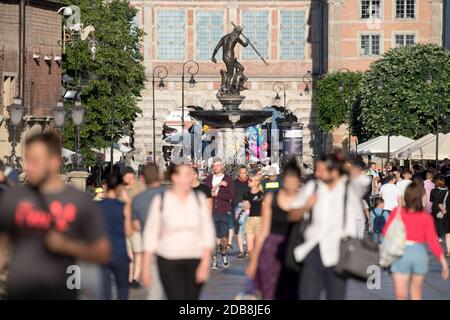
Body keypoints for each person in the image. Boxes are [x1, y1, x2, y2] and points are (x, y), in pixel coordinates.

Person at [0, 132, 110, 299]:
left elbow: (102, 252)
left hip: (60, 291)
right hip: (19, 291)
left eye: (35, 161)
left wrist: (68, 246)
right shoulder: (13, 198)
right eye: (28, 161)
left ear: (54, 161)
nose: (28, 168)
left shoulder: (80, 201)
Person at [289, 153, 369, 300]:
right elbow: (292, 214)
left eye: (321, 170)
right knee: (308, 295)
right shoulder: (312, 187)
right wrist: (307, 206)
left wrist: (346, 163)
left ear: (334, 171)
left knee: (336, 296)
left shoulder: (349, 188)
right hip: (312, 249)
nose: (317, 173)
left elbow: (363, 180)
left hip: (339, 252)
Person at [141, 164, 215, 300]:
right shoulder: (162, 201)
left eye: (191, 174)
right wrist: (145, 267)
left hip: (195, 258)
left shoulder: (199, 200)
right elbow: (150, 235)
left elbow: (207, 233)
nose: (190, 178)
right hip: (168, 258)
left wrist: (205, 263)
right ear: (175, 177)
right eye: (186, 174)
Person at [246, 158, 302, 299]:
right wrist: (254, 262)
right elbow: (264, 232)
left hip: (295, 249)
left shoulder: (303, 200)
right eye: (288, 180)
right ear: (284, 180)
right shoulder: (271, 198)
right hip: (272, 250)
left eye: (294, 180)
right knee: (270, 291)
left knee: (293, 292)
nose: (291, 184)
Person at [383, 182, 448, 300]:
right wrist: (443, 263)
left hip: (400, 252)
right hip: (419, 253)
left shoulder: (397, 212)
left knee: (400, 294)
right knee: (416, 294)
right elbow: (433, 241)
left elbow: (386, 232)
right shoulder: (425, 217)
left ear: (406, 196)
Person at [131, 163, 165, 300]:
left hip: (151, 247)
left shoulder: (137, 200)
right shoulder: (170, 195)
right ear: (160, 176)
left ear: (143, 178)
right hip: (173, 247)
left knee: (155, 291)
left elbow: (136, 226)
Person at [98, 172, 132, 300]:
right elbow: (128, 232)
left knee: (104, 290)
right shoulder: (123, 207)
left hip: (103, 253)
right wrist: (127, 201)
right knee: (122, 290)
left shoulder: (97, 206)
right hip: (120, 252)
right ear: (119, 187)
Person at [204, 158, 235, 269]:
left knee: (224, 239)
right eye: (214, 166)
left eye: (218, 165)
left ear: (222, 166)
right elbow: (206, 193)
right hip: (211, 212)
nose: (216, 167)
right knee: (212, 238)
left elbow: (231, 195)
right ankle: (215, 260)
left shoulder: (228, 179)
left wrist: (218, 195)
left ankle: (223, 253)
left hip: (224, 211)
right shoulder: (208, 179)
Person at [122, 166, 145, 288]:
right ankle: (129, 277)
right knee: (128, 253)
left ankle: (135, 278)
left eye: (129, 176)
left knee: (137, 252)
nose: (128, 178)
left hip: (136, 225)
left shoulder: (139, 187)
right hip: (123, 225)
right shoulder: (120, 188)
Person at [243, 174, 264, 260]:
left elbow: (265, 209)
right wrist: (245, 204)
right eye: (249, 180)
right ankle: (253, 264)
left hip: (260, 219)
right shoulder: (246, 194)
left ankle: (258, 266)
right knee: (249, 249)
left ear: (257, 182)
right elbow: (245, 207)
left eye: (251, 180)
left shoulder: (262, 194)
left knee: (258, 247)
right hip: (250, 220)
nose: (249, 181)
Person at [232, 166, 250, 258]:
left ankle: (248, 249)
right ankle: (241, 251)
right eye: (241, 173)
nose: (242, 174)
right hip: (237, 208)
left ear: (247, 173)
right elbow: (231, 195)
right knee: (240, 229)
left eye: (244, 173)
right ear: (239, 173)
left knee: (247, 230)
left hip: (249, 208)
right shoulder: (234, 183)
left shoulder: (250, 182)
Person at [430, 177, 448, 241]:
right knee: (439, 222)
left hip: (434, 208)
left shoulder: (433, 190)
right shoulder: (446, 191)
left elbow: (431, 200)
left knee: (435, 221)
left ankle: (434, 235)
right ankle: (439, 236)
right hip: (442, 208)